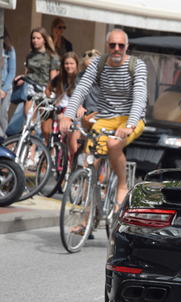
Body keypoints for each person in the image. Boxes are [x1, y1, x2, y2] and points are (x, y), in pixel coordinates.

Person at [60, 29, 147, 210]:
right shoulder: (98, 64)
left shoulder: (137, 65)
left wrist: (129, 125)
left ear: (126, 47)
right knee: (90, 163)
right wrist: (68, 115)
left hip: (131, 118)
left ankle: (122, 184)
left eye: (121, 45)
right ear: (106, 46)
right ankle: (86, 219)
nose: (116, 48)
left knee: (113, 144)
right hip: (105, 117)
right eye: (112, 45)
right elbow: (81, 88)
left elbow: (140, 96)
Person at [6, 27, 60, 136]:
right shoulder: (30, 55)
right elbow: (28, 72)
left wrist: (51, 93)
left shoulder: (52, 56)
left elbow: (54, 77)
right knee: (30, 121)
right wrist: (22, 78)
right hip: (31, 89)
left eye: (38, 38)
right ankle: (31, 150)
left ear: (44, 39)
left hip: (45, 90)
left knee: (45, 128)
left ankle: (48, 149)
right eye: (33, 38)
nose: (35, 40)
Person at [42, 52, 81, 159]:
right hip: (59, 111)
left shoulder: (81, 78)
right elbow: (48, 89)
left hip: (74, 112)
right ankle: (56, 160)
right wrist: (51, 99)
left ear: (77, 64)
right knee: (50, 133)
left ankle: (72, 168)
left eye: (72, 63)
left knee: (73, 145)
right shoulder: (59, 78)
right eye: (66, 64)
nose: (69, 66)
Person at [0, 29, 16, 141]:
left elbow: (12, 71)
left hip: (5, 87)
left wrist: (4, 89)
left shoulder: (9, 50)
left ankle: (4, 141)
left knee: (2, 116)